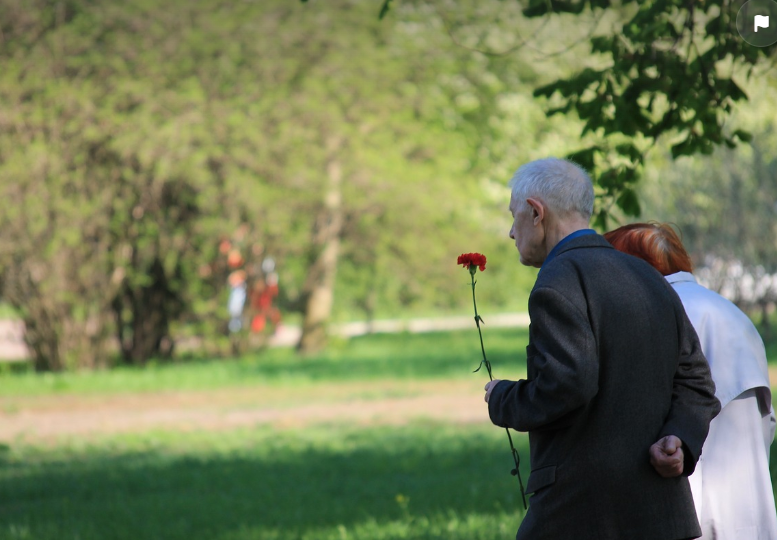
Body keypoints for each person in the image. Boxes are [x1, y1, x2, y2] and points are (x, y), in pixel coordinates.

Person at [483, 158, 720, 540]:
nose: (512, 232)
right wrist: (679, 437)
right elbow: (697, 382)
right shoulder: (648, 276)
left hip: (582, 514)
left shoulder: (558, 280)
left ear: (536, 212)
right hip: (663, 517)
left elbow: (567, 384)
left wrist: (502, 398)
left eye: (514, 217)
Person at [604, 222, 777, 540]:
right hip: (749, 510)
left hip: (683, 512)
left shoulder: (654, 313)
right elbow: (768, 423)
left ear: (632, 267)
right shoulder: (732, 313)